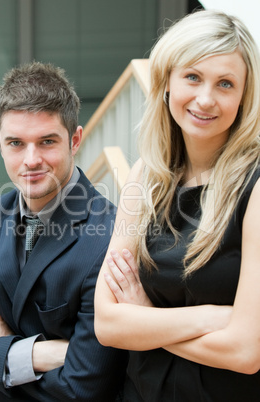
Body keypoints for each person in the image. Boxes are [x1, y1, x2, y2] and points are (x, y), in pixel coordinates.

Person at [94, 9, 260, 402]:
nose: (206, 99)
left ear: (243, 96)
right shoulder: (145, 176)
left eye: (225, 83)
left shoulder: (255, 188)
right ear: (167, 81)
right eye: (192, 77)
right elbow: (107, 323)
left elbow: (245, 351)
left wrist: (146, 317)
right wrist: (211, 318)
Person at [0, 62, 128, 401]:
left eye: (46, 142)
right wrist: (41, 353)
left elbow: (83, 387)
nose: (31, 160)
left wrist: (1, 345)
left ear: (74, 140)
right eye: (16, 143)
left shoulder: (110, 234)